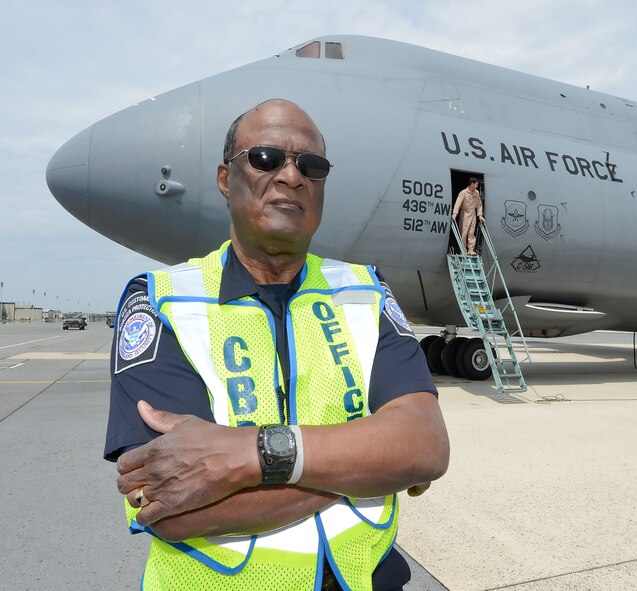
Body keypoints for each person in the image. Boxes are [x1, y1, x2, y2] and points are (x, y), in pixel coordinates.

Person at [104, 98, 450, 591]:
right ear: (226, 178)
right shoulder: (163, 302)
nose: (292, 177)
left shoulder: (365, 293)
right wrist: (365, 467)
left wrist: (248, 455)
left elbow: (424, 445)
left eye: (312, 166)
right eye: (266, 158)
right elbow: (166, 505)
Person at [451, 177, 485, 255]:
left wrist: (480, 215)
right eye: (476, 184)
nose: (477, 186)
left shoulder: (476, 193)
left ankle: (470, 249)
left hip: (473, 214)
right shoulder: (463, 192)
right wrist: (455, 213)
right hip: (465, 214)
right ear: (472, 184)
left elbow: (479, 205)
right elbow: (458, 203)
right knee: (464, 232)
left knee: (471, 233)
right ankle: (463, 249)